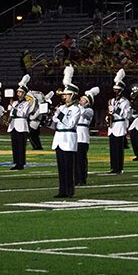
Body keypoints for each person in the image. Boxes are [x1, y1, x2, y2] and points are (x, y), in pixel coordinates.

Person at [52, 66, 81, 198]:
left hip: (69, 138)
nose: (64, 96)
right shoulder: (62, 107)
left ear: (73, 95)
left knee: (69, 167)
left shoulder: (76, 109)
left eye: (67, 94)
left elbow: (70, 123)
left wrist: (59, 115)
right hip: (59, 138)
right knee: (61, 167)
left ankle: (69, 190)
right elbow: (55, 122)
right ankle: (62, 190)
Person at [107, 68, 131, 174]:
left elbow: (126, 114)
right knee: (112, 148)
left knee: (118, 148)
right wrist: (108, 117)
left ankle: (119, 168)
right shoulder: (112, 100)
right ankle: (113, 167)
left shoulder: (125, 101)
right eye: (114, 89)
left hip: (120, 124)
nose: (115, 91)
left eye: (117, 90)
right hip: (112, 125)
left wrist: (115, 110)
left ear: (121, 91)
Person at [7, 75, 31, 170]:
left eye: (20, 92)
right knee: (15, 145)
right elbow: (11, 113)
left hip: (21, 125)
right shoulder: (15, 102)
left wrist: (13, 107)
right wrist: (8, 119)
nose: (18, 94)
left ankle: (21, 163)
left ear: (24, 94)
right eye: (18, 92)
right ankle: (16, 162)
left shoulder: (27, 103)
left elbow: (23, 113)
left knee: (21, 146)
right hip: (13, 125)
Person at [76, 87, 98, 186]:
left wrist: (78, 106)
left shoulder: (89, 110)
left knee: (81, 159)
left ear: (88, 102)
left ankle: (82, 179)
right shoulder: (77, 108)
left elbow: (83, 113)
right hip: (75, 136)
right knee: (75, 159)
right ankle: (75, 178)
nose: (80, 100)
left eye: (83, 99)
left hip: (83, 137)